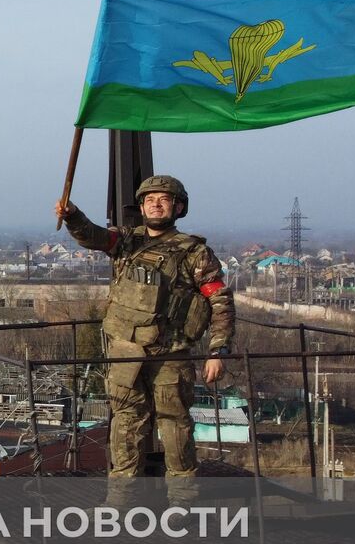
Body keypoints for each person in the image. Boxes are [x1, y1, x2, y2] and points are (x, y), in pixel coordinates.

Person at [55, 176, 235, 494]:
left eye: (164, 199)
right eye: (150, 199)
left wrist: (217, 350)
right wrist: (72, 215)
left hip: (170, 354)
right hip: (126, 351)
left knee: (175, 427)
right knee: (125, 425)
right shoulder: (127, 241)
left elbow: (219, 300)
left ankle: (182, 504)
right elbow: (94, 236)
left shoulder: (194, 252)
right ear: (141, 206)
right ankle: (120, 503)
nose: (156, 203)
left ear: (178, 207)